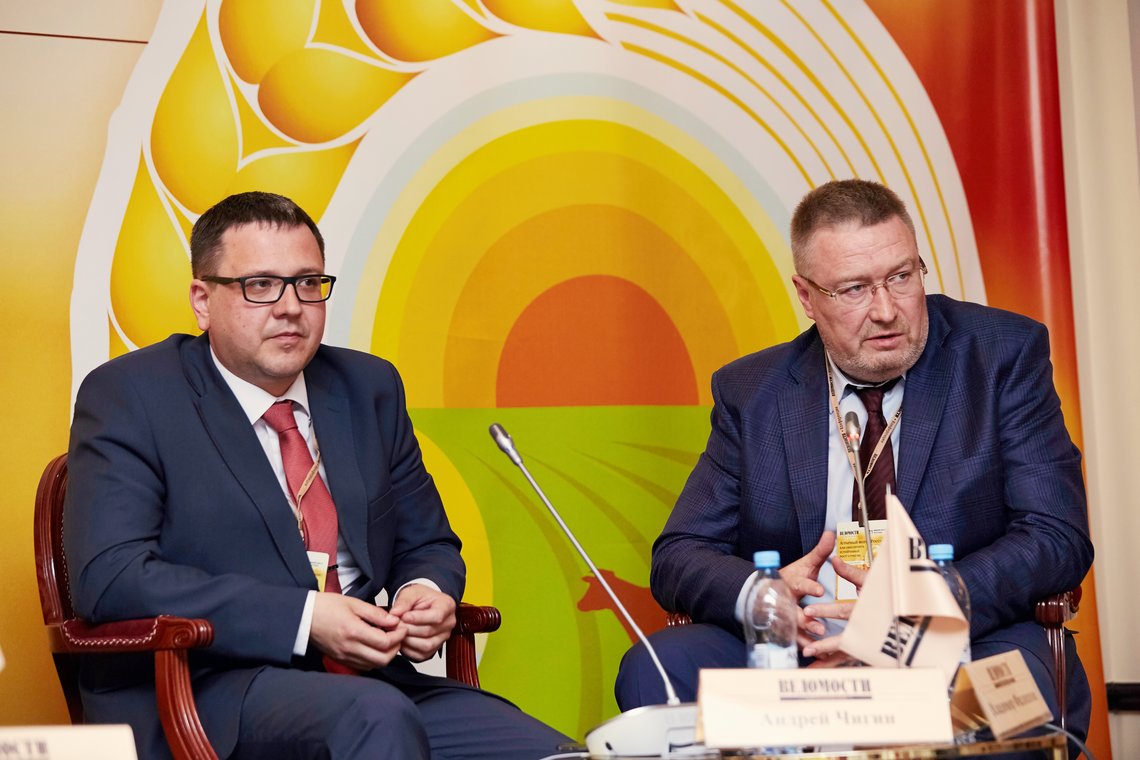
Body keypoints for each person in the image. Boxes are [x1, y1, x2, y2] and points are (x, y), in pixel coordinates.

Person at [65, 191, 571, 759]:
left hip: (372, 684)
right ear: (202, 301)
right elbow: (110, 577)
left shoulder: (368, 388)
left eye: (307, 283)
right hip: (210, 689)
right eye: (260, 285)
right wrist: (305, 618)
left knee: (557, 754)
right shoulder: (132, 395)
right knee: (375, 719)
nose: (290, 307)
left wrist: (424, 592)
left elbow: (427, 543)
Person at [615, 179, 1094, 744]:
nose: (886, 310)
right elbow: (679, 555)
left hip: (959, 640)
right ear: (806, 296)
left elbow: (1057, 534)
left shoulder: (999, 356)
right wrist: (763, 596)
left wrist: (924, 605)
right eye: (854, 289)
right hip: (801, 649)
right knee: (657, 668)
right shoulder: (754, 391)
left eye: (901, 277)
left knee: (1000, 703)